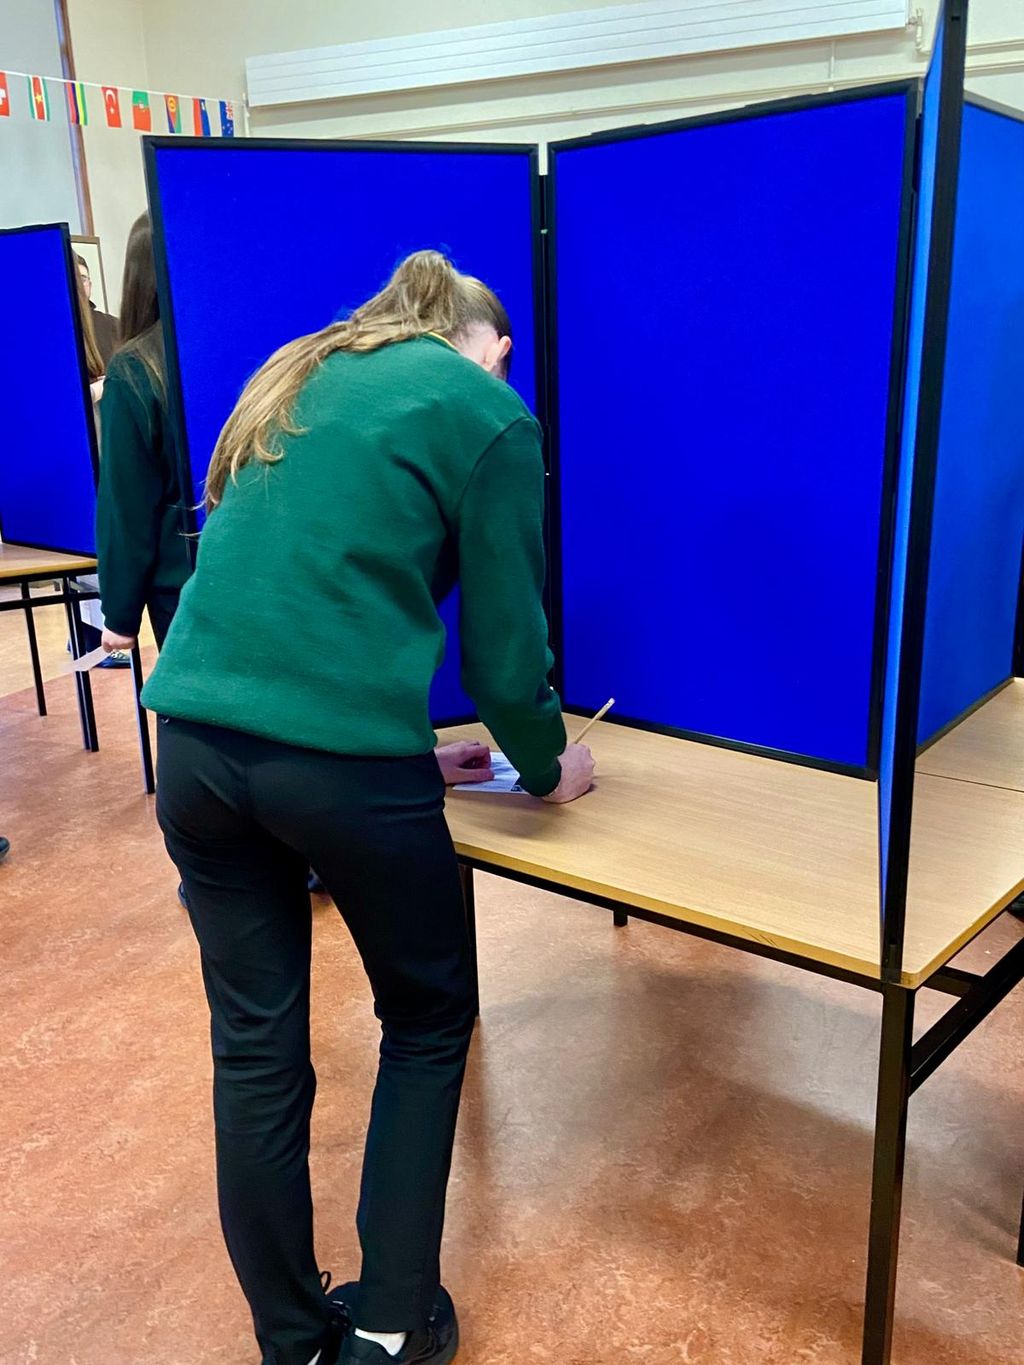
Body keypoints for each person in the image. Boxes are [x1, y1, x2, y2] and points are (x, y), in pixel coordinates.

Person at [136, 250, 595, 1365]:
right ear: (491, 348)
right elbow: (505, 665)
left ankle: (296, 1342)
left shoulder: (298, 372)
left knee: (255, 1051)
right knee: (427, 1021)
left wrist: (415, 755)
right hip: (337, 769)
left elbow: (291, 601)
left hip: (192, 747)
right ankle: (390, 1327)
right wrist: (548, 767)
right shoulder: (485, 410)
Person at [96, 213, 192, 656]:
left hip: (184, 581)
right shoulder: (236, 344)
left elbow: (127, 505)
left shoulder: (137, 368)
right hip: (269, 566)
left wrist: (120, 615)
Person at [75, 252, 119, 367]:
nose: (79, 285)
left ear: (90, 285)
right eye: (74, 279)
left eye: (83, 279)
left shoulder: (113, 325)